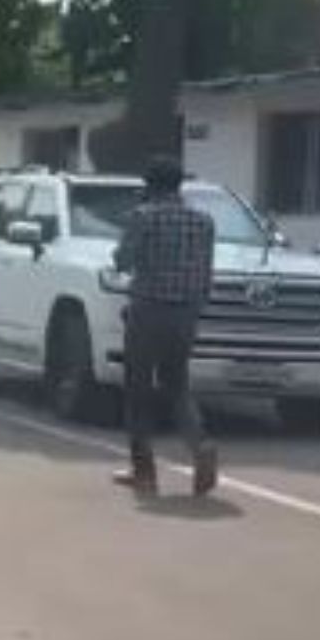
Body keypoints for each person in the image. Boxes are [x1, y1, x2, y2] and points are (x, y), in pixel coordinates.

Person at [111, 156, 217, 497]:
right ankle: (200, 444)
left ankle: (144, 472)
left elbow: (122, 260)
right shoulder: (202, 221)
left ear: (149, 186)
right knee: (178, 385)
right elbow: (206, 272)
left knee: (138, 390)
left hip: (148, 308)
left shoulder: (142, 217)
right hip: (185, 312)